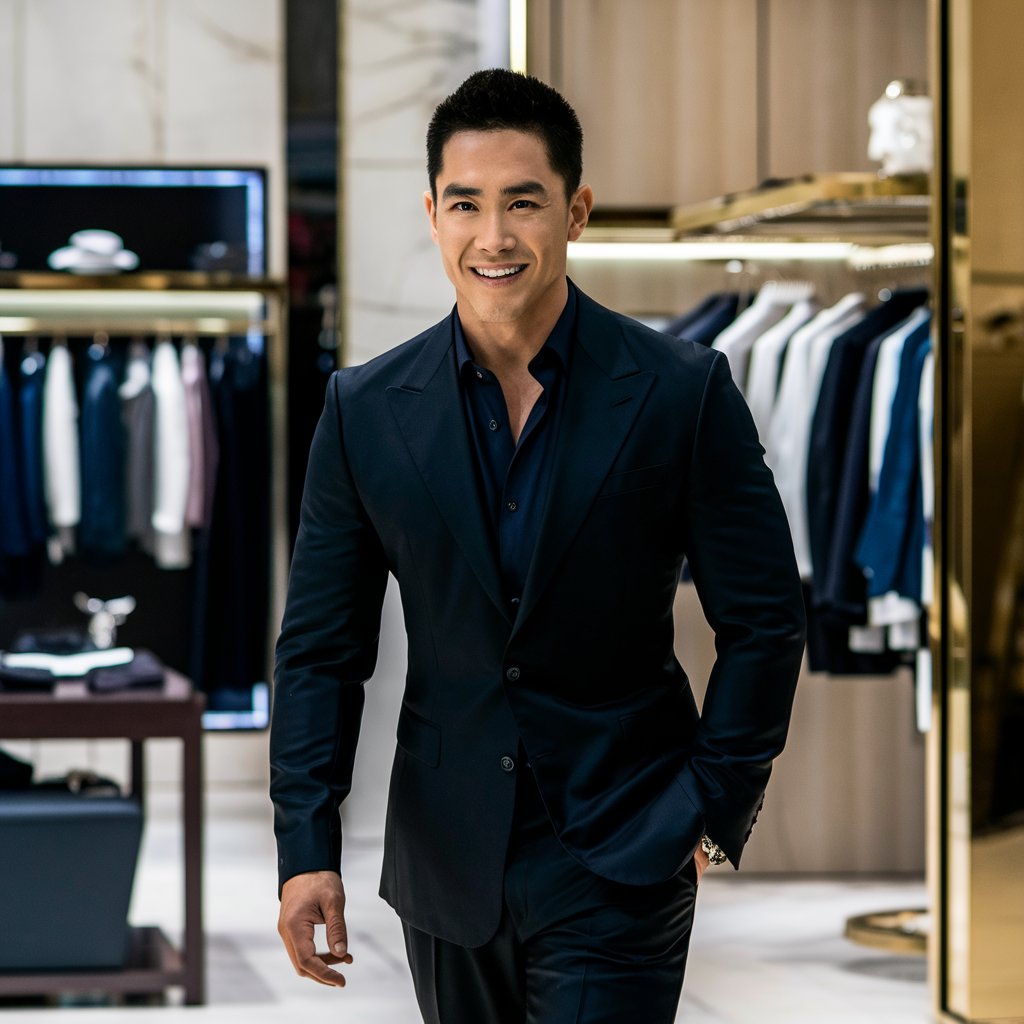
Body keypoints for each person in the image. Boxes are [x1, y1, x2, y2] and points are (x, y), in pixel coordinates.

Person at [271, 68, 806, 1024]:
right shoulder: (364, 412)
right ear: (432, 214)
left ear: (577, 212)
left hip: (626, 844)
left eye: (524, 202)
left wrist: (711, 811)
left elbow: (765, 621)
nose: (494, 236)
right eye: (467, 204)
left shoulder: (682, 392)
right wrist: (306, 846)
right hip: (446, 857)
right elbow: (320, 649)